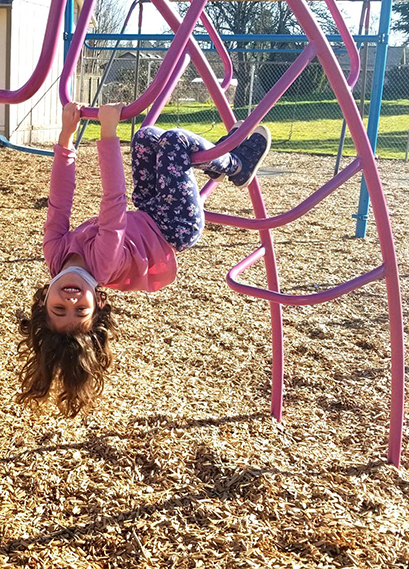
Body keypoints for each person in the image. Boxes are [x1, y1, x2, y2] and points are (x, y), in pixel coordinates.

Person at [17, 102, 271, 417]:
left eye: (59, 309)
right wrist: (107, 134)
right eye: (80, 310)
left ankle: (218, 163)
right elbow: (113, 202)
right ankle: (237, 164)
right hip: (175, 224)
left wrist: (66, 139)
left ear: (43, 304)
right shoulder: (102, 265)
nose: (71, 300)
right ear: (96, 303)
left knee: (146, 139)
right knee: (174, 142)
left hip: (149, 209)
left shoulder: (55, 254)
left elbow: (59, 202)